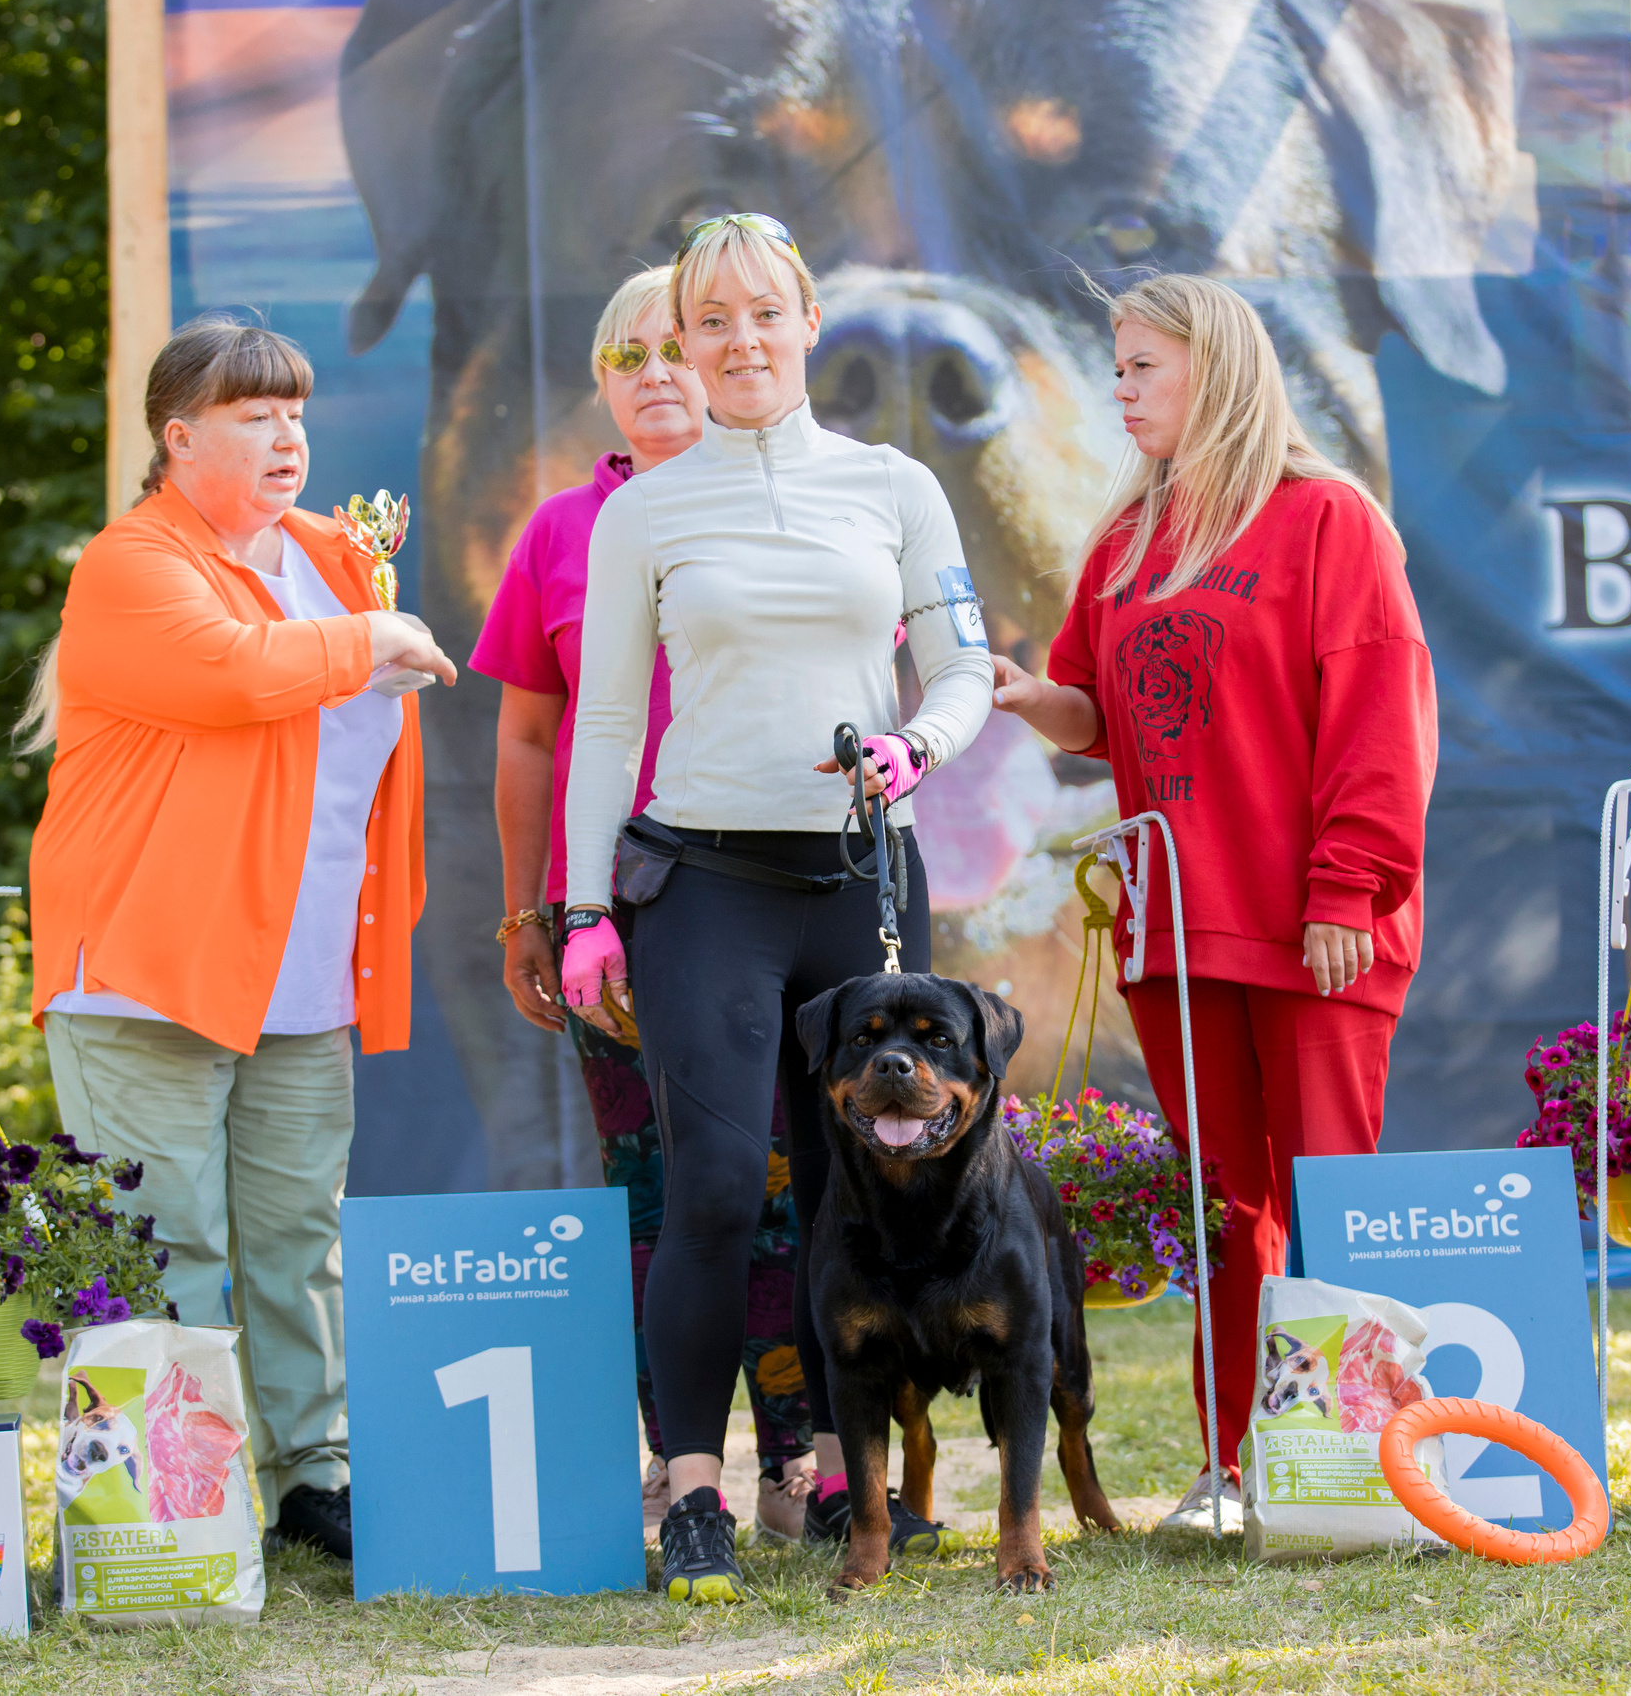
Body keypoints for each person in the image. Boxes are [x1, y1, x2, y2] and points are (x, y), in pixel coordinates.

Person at [559, 215, 995, 1602]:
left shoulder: (895, 486)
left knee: (857, 1197)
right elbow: (607, 718)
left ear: (809, 320)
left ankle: (839, 1485)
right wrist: (583, 912)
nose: (741, 341)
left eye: (765, 314)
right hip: (705, 886)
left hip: (864, 877)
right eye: (710, 321)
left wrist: (914, 747)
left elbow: (966, 671)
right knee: (705, 1188)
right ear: (677, 344)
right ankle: (692, 1492)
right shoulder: (644, 511)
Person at [987, 273, 1435, 1534]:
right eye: (1114, 365)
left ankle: (1349, 1469)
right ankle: (1236, 1467)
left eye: (1141, 366)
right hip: (1176, 930)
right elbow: (1093, 714)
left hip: (1316, 923)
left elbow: (1378, 717)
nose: (1116, 388)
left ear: (1218, 370)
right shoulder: (1127, 540)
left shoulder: (1327, 518)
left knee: (1328, 1196)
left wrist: (1347, 882)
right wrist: (1034, 699)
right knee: (1225, 1211)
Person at [18, 316, 458, 1562]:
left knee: (292, 1244)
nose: (286, 437)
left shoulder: (333, 555)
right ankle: (156, 1516)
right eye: (253, 416)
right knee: (166, 1242)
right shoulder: (129, 562)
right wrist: (374, 638)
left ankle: (309, 1479)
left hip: (307, 973)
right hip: (150, 970)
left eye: (296, 414)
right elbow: (231, 673)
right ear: (177, 438)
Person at [468, 265, 818, 1541]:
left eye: (682, 344)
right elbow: (524, 742)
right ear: (604, 387)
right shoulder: (563, 531)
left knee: (790, 1181)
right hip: (619, 916)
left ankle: (802, 1462)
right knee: (661, 1188)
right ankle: (682, 1470)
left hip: (785, 902)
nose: (661, 371)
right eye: (630, 355)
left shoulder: (798, 499)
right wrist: (534, 914)